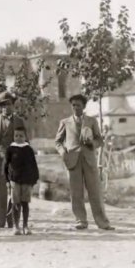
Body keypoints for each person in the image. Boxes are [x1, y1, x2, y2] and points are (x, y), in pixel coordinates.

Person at [55, 94, 114, 231]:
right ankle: (80, 220)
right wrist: (64, 152)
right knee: (76, 192)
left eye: (78, 105)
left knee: (95, 192)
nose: (75, 108)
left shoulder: (91, 121)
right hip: (72, 161)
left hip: (89, 160)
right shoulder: (65, 122)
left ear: (84, 106)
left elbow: (100, 140)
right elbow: (58, 142)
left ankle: (102, 222)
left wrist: (92, 143)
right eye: (73, 105)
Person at [0, 91, 26, 230]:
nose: (6, 107)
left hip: (15, 158)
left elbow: (26, 140)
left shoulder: (19, 121)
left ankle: (12, 219)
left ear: (13, 105)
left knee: (14, 189)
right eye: (3, 104)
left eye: (8, 104)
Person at [5, 126, 39, 236]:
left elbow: (34, 165)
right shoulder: (10, 149)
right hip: (14, 180)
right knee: (15, 203)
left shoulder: (28, 149)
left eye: (21, 136)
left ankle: (25, 225)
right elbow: (5, 166)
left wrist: (34, 179)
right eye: (16, 136)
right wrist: (7, 179)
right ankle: (16, 226)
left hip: (27, 180)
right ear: (13, 137)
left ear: (25, 137)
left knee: (25, 203)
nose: (18, 138)